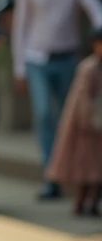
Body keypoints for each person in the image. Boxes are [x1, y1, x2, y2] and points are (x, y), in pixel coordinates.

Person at [12, 0, 102, 200]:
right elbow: (21, 29)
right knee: (44, 116)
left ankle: (73, 174)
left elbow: (95, 10)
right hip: (37, 60)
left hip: (69, 60)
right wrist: (20, 70)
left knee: (71, 119)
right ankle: (52, 178)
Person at [44, 29, 102, 216]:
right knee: (86, 171)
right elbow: (83, 97)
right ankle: (80, 203)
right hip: (88, 126)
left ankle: (93, 205)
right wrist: (88, 119)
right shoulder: (89, 68)